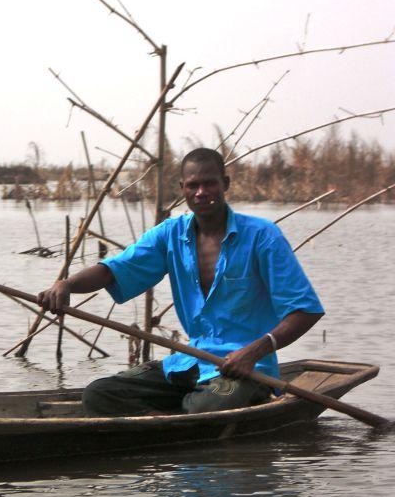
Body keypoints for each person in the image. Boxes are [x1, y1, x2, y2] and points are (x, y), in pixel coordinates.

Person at [38, 147, 324, 417]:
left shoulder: (262, 236)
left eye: (209, 184)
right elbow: (112, 270)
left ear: (225, 183)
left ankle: (186, 418)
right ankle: (171, 422)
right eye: (192, 186)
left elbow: (306, 310)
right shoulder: (170, 235)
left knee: (205, 407)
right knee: (100, 394)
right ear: (183, 189)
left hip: (247, 371)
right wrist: (66, 285)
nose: (201, 193)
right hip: (190, 363)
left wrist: (254, 351)